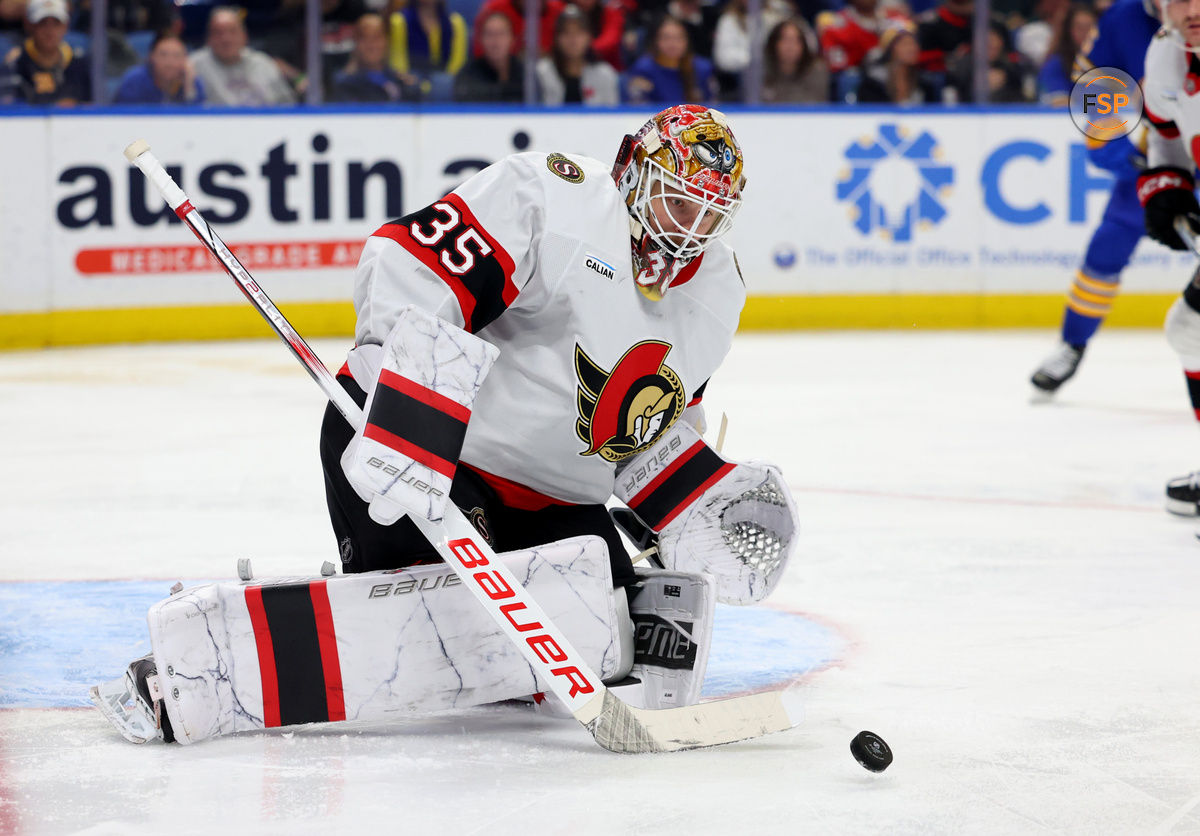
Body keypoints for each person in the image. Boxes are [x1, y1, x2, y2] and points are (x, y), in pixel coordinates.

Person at [91, 105, 800, 746]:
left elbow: (656, 418)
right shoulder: (548, 196)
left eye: (710, 215)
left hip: (556, 499)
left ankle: (412, 608)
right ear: (632, 171)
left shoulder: (719, 290)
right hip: (423, 455)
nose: (689, 229)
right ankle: (196, 665)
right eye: (677, 201)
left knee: (603, 635)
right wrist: (416, 417)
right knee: (427, 622)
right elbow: (410, 263)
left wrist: (687, 502)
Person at [1028, 0, 1159, 394]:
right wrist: (1116, 149)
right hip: (1152, 159)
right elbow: (1097, 80)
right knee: (1105, 252)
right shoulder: (1123, 18)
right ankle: (1072, 345)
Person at [1132, 0, 1200, 515]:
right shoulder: (1165, 56)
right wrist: (1168, 191)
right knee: (1189, 330)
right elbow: (1168, 137)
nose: (1191, 8)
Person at [190, 6, 297, 106]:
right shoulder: (193, 65)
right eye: (218, 33)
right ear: (208, 38)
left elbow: (288, 106)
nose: (226, 39)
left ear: (244, 36)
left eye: (233, 31)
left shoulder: (264, 64)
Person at [3, 0, 90, 104]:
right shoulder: (15, 63)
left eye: (56, 23)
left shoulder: (78, 63)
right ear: (29, 25)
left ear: (65, 26)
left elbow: (91, 106)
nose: (50, 31)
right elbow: (10, 109)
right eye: (42, 23)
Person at [535, 4, 619, 104]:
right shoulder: (542, 72)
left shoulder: (604, 74)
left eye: (579, 33)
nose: (573, 40)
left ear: (589, 37)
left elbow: (612, 115)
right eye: (566, 32)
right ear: (556, 38)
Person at [624, 14, 717, 104]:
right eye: (666, 38)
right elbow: (637, 108)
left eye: (678, 38)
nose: (672, 44)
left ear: (687, 41)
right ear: (656, 41)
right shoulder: (643, 69)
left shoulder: (702, 68)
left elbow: (713, 105)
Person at [331, 11, 420, 101]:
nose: (372, 45)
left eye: (377, 38)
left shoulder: (401, 81)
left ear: (387, 41)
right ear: (356, 43)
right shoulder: (345, 83)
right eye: (364, 38)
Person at [113, 31, 205, 103]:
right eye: (163, 55)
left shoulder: (192, 82)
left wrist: (189, 87)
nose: (170, 63)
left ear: (185, 59)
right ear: (151, 57)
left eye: (177, 55)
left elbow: (197, 119)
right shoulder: (134, 82)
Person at [856, 23, 939, 102]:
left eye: (915, 44)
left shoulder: (924, 83)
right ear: (890, 49)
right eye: (906, 44)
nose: (912, 49)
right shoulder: (873, 83)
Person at [454, 9, 523, 101]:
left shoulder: (524, 73)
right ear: (480, 40)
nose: (495, 41)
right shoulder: (469, 74)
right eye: (489, 34)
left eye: (501, 34)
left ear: (512, 39)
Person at [387, 0, 467, 79]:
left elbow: (457, 65)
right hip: (410, 81)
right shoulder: (399, 21)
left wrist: (444, 82)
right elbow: (397, 62)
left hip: (446, 83)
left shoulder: (455, 23)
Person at [1036, 3, 1095, 106]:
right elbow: (1059, 102)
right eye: (1080, 28)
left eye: (1090, 28)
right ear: (1069, 31)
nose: (1086, 34)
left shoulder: (1109, 60)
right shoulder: (1056, 64)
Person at [760, 16, 830, 103]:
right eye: (785, 40)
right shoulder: (760, 71)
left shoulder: (817, 70)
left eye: (796, 41)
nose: (790, 47)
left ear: (804, 45)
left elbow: (815, 104)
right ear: (774, 43)